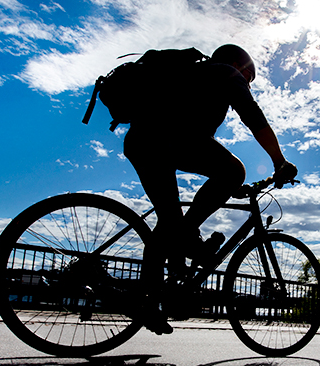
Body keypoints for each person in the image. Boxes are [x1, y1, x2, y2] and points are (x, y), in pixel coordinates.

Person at [123, 44, 297, 334]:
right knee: (233, 170)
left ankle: (148, 302)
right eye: (248, 76)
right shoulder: (226, 72)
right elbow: (252, 116)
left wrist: (230, 189)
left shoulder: (194, 74)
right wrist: (279, 162)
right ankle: (186, 239)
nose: (247, 82)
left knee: (168, 222)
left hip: (144, 141)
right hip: (170, 140)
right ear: (236, 63)